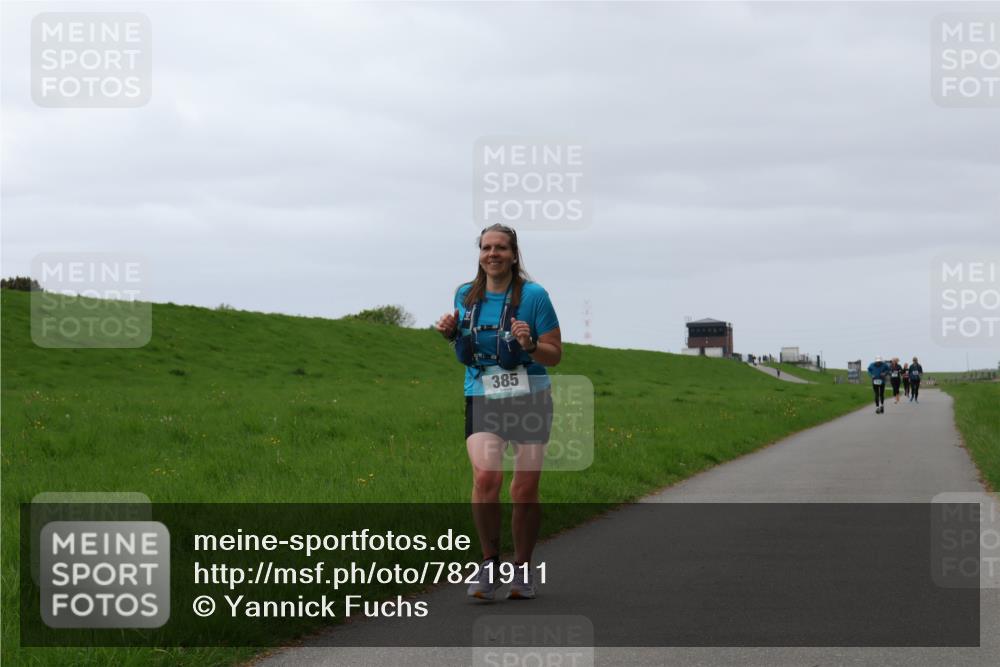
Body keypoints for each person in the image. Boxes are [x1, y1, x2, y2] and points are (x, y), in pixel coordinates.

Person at [435, 224, 561, 601]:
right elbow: (464, 340)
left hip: (529, 397)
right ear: (479, 254)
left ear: (514, 253)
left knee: (524, 490)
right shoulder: (465, 294)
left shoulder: (535, 296)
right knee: (486, 478)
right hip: (482, 394)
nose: (493, 254)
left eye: (501, 248)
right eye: (486, 247)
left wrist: (530, 343)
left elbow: (554, 355)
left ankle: (522, 570)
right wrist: (448, 332)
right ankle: (489, 563)